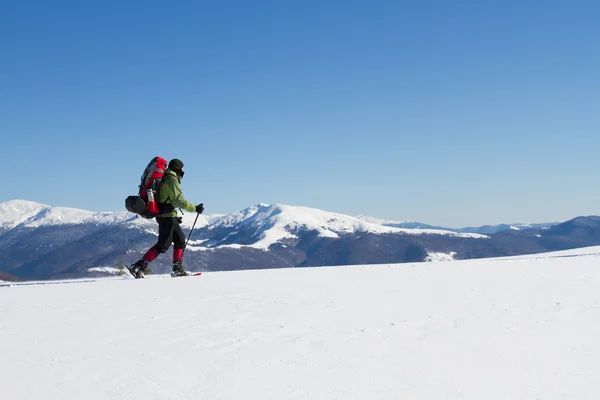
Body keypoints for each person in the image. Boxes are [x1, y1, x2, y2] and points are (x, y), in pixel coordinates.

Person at [130, 159, 204, 278]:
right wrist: (195, 208)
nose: (183, 171)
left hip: (168, 215)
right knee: (163, 245)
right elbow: (178, 200)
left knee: (180, 239)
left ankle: (177, 268)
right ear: (178, 168)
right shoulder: (171, 179)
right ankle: (139, 266)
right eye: (182, 169)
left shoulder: (165, 177)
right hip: (166, 216)